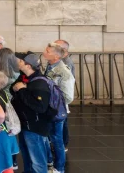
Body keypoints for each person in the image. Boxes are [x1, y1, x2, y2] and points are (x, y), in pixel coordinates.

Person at [11, 53, 51, 173]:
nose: (17, 63)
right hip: (25, 123)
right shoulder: (24, 77)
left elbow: (40, 107)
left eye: (20, 61)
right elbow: (13, 88)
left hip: (35, 127)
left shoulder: (40, 84)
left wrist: (22, 90)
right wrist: (17, 88)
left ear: (28, 65)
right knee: (27, 156)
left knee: (37, 160)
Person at [43, 43, 74, 173]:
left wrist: (53, 102)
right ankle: (50, 162)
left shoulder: (64, 72)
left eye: (48, 51)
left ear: (56, 56)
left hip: (56, 110)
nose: (44, 52)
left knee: (57, 139)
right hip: (48, 109)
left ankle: (59, 167)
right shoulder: (49, 66)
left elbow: (68, 96)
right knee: (49, 137)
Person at [53, 39, 74, 149]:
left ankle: (63, 144)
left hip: (61, 97)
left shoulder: (66, 63)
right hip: (57, 97)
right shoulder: (56, 61)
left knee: (62, 121)